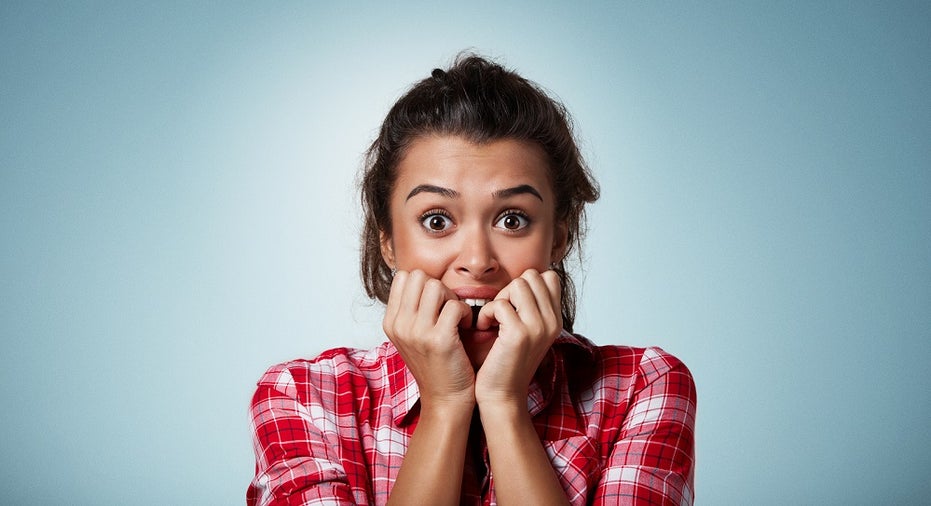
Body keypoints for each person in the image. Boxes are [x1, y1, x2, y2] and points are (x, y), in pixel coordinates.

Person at [247, 54, 696, 505]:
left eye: (513, 219)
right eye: (437, 221)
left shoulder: (644, 385)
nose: (478, 261)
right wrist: (445, 404)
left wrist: (504, 405)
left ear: (557, 238)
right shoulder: (304, 397)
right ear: (388, 241)